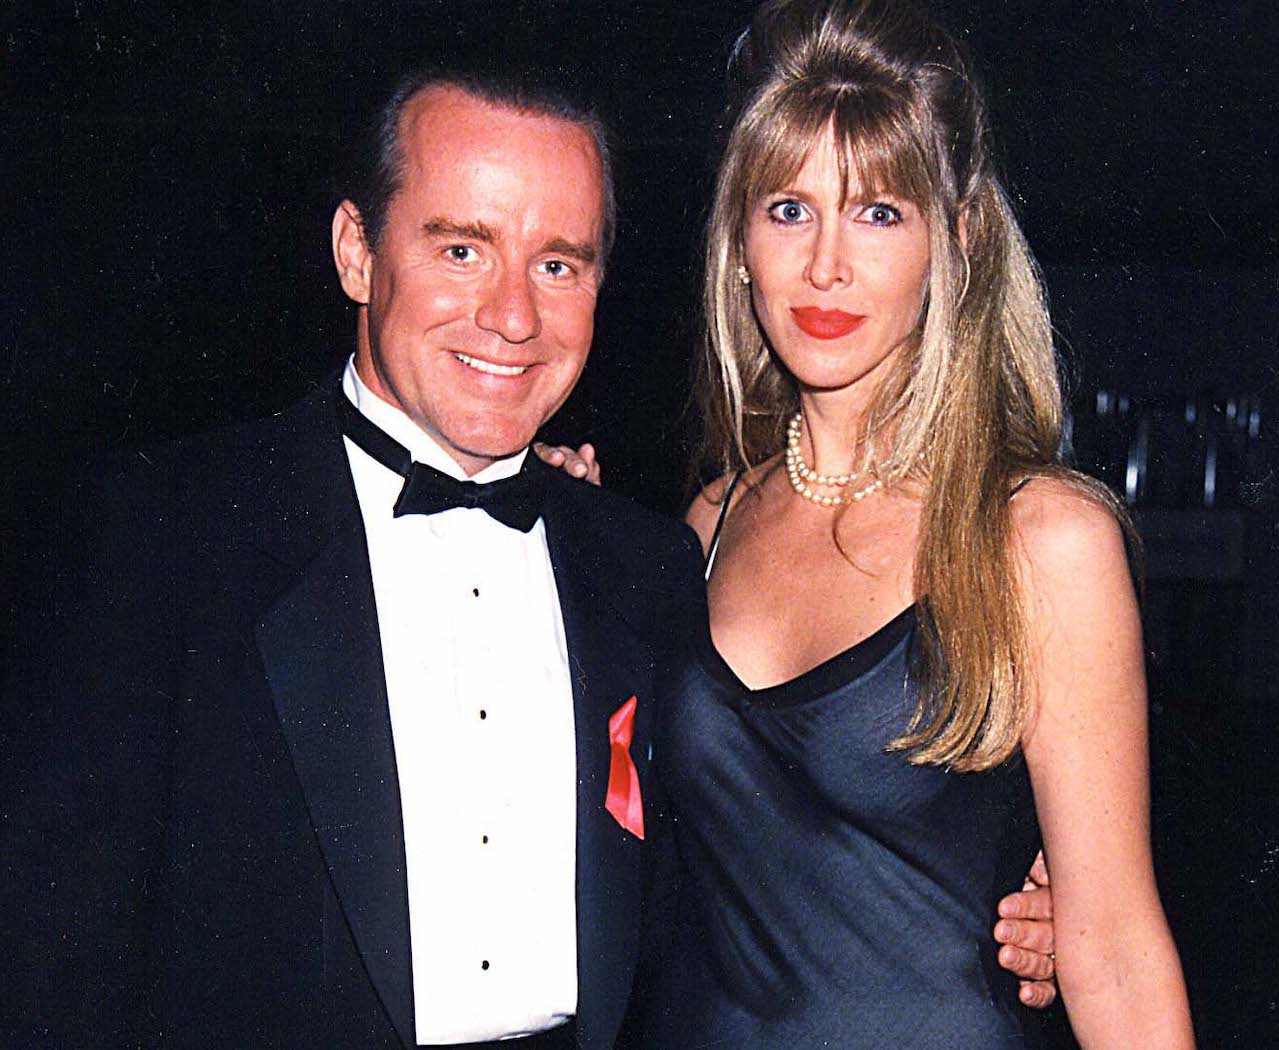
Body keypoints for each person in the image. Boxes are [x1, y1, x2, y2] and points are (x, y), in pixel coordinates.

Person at [0, 61, 1055, 1050]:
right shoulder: (161, 534)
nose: (511, 316)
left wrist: (1023, 896)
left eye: (557, 264)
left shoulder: (643, 563)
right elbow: (48, 960)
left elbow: (745, 858)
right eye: (461, 249)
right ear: (355, 252)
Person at [631, 0, 1196, 1046]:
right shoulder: (708, 523)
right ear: (738, 240)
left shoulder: (1040, 542)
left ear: (957, 240)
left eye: (879, 212)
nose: (825, 266)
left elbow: (1113, 948)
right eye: (788, 209)